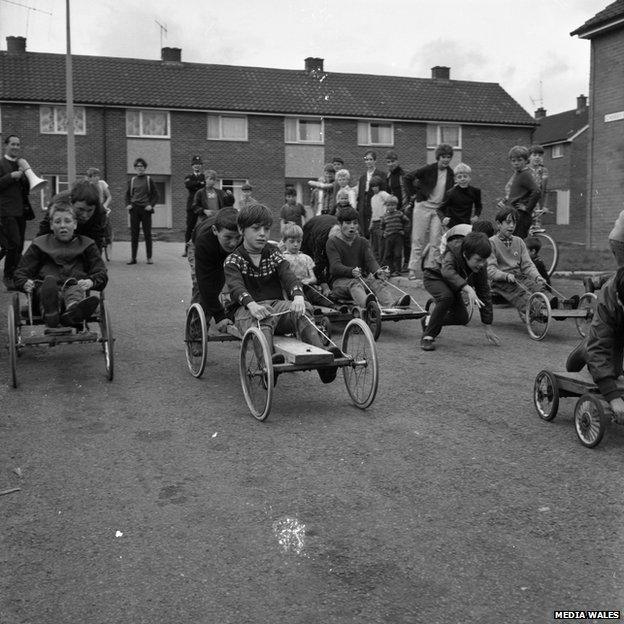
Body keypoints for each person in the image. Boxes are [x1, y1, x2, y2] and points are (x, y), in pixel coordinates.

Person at [224, 204, 340, 383]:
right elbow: (236, 287)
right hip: (245, 311)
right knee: (262, 317)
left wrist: (298, 296)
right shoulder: (233, 260)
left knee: (305, 309)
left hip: (275, 308)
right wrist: (252, 304)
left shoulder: (273, 253)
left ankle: (324, 360)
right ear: (241, 229)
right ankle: (268, 366)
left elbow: (288, 275)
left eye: (267, 229)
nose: (262, 233)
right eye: (256, 229)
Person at [13, 198, 107, 327]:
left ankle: (73, 312)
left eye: (67, 221)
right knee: (47, 288)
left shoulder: (87, 244)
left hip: (75, 287)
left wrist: (91, 281)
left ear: (75, 224)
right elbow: (21, 272)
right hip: (45, 290)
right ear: (51, 225)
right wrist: (24, 282)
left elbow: (100, 271)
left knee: (75, 289)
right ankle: (51, 313)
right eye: (58, 221)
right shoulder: (39, 244)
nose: (63, 225)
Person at [421, 231, 500, 351]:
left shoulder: (481, 266)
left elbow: (484, 292)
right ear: (465, 254)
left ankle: (429, 320)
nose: (481, 264)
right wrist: (467, 288)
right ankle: (428, 336)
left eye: (484, 260)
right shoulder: (452, 253)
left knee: (462, 318)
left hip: (454, 285)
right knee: (446, 297)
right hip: (434, 277)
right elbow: (447, 272)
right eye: (478, 260)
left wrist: (487, 326)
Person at [487, 206, 571, 315]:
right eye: (508, 222)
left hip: (518, 276)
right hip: (501, 280)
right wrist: (505, 276)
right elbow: (490, 269)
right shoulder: (491, 242)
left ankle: (560, 304)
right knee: (520, 292)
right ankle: (540, 310)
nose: (512, 226)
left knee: (536, 287)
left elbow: (528, 265)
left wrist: (537, 276)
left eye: (514, 223)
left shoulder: (519, 242)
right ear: (499, 224)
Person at [566, 268, 624, 421]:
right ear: (619, 298)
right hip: (610, 326)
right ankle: (585, 348)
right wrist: (613, 397)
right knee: (611, 371)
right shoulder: (608, 298)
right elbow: (599, 347)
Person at [325, 206, 410, 308]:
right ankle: (368, 306)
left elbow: (370, 260)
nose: (352, 226)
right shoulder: (332, 242)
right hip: (340, 284)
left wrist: (378, 271)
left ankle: (392, 306)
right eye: (348, 223)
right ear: (340, 224)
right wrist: (351, 271)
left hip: (361, 280)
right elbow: (335, 266)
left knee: (376, 282)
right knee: (354, 283)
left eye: (355, 223)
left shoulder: (362, 241)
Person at [404, 144, 455, 282]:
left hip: (438, 210)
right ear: (438, 157)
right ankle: (412, 270)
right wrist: (412, 195)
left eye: (448, 157)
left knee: (436, 241)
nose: (445, 160)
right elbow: (407, 178)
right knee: (418, 238)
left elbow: (450, 194)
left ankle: (430, 269)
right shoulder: (428, 169)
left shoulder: (451, 174)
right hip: (423, 206)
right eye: (443, 157)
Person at [191, 208, 242, 329]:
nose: (233, 243)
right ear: (215, 230)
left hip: (221, 249)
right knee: (202, 289)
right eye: (228, 237)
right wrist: (219, 316)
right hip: (200, 247)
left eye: (237, 237)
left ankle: (232, 314)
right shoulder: (204, 242)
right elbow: (206, 283)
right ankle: (196, 334)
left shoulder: (244, 236)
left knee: (235, 279)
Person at [0, 134, 36, 290]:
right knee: (13, 244)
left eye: (18, 144)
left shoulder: (22, 164)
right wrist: (10, 176)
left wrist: (25, 175)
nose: (16, 147)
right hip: (6, 211)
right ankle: (8, 276)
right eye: (13, 144)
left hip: (21, 211)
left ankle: (17, 276)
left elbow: (27, 189)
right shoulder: (0, 164)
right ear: (5, 146)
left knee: (20, 245)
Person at [39, 180, 108, 253]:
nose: (85, 215)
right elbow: (44, 231)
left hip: (87, 232)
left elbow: (96, 243)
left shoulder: (100, 212)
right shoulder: (57, 203)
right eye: (80, 209)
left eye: (90, 211)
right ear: (71, 202)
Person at [280, 222, 327, 307]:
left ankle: (334, 306)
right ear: (284, 241)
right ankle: (310, 308)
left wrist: (309, 280)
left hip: (306, 286)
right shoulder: (282, 258)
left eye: (299, 241)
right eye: (292, 241)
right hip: (292, 288)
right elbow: (281, 281)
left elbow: (314, 278)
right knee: (301, 297)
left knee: (316, 294)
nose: (295, 244)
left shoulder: (306, 258)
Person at [125, 157, 159, 265]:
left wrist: (151, 205)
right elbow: (127, 195)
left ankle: (149, 257)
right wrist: (128, 205)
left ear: (145, 168)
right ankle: (133, 258)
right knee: (134, 234)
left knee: (147, 234)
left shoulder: (149, 180)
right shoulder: (132, 181)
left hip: (145, 210)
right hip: (134, 209)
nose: (140, 168)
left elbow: (156, 195)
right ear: (135, 168)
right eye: (138, 166)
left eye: (142, 166)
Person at [502, 145, 541, 239]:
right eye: (513, 161)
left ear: (526, 161)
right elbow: (518, 194)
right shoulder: (518, 174)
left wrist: (527, 208)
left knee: (516, 244)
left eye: (519, 160)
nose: (516, 163)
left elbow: (537, 191)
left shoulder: (525, 174)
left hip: (521, 217)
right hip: (514, 214)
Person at [436, 163, 482, 228]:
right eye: (459, 177)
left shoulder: (475, 191)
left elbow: (478, 206)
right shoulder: (451, 193)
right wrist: (443, 218)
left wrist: (476, 216)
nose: (462, 179)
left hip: (467, 223)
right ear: (456, 179)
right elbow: (439, 209)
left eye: (465, 176)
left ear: (469, 178)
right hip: (452, 225)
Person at [301, 213, 339, 286]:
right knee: (309, 261)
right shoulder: (321, 240)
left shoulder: (344, 237)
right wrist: (323, 283)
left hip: (326, 223)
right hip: (310, 230)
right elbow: (319, 263)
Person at [356, 151, 385, 239]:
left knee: (374, 232)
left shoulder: (382, 175)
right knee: (364, 232)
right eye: (366, 159)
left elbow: (383, 191)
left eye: (371, 159)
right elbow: (360, 195)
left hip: (375, 206)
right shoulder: (362, 177)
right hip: (363, 208)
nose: (368, 161)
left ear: (375, 161)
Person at [381, 195, 410, 276]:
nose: (390, 207)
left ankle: (398, 270)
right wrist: (384, 232)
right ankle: (390, 270)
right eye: (389, 205)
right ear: (386, 206)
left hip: (398, 237)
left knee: (397, 254)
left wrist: (404, 231)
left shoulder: (399, 214)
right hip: (388, 237)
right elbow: (382, 226)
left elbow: (407, 221)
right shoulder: (385, 216)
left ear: (396, 205)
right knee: (388, 254)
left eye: (393, 205)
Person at [183, 155, 205, 257]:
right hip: (191, 206)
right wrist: (200, 183)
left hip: (202, 206)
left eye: (199, 164)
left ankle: (201, 249)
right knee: (190, 228)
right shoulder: (188, 177)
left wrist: (196, 184)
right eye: (195, 164)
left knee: (203, 228)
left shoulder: (204, 177)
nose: (197, 166)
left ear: (201, 165)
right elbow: (188, 185)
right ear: (192, 166)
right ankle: (186, 249)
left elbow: (204, 185)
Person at [368, 176, 391, 261]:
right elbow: (373, 212)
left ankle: (383, 262)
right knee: (374, 245)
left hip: (382, 222)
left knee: (382, 243)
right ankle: (376, 262)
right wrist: (371, 224)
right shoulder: (373, 198)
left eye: (376, 186)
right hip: (374, 222)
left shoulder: (383, 194)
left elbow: (391, 200)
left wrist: (387, 215)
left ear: (380, 186)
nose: (374, 188)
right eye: (372, 186)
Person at [528, 145, 548, 211]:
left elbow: (544, 190)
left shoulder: (544, 171)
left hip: (536, 207)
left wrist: (544, 206)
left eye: (539, 155)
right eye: (534, 155)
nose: (537, 157)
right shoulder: (524, 170)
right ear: (529, 157)